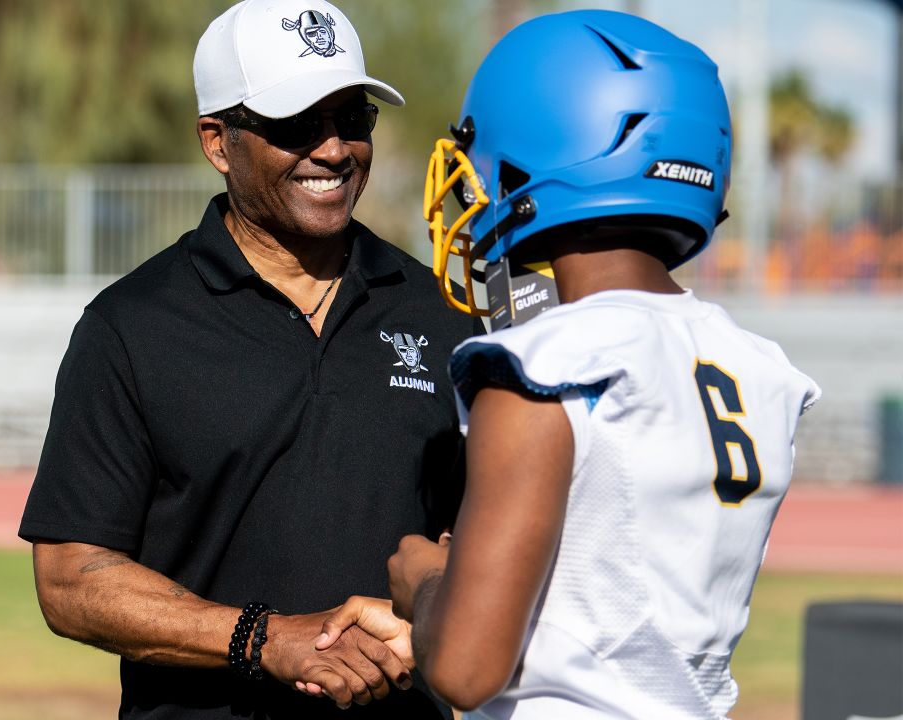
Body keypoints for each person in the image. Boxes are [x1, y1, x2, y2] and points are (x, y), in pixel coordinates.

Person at [322, 10, 821, 720]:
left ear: (544, 152)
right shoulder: (760, 368)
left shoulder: (545, 361)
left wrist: (430, 581)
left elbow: (467, 670)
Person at [18, 0, 482, 717]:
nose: (333, 150)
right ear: (217, 139)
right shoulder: (130, 326)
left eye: (353, 119)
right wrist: (262, 638)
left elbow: (481, 534)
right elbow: (71, 580)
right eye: (297, 125)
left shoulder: (440, 311)